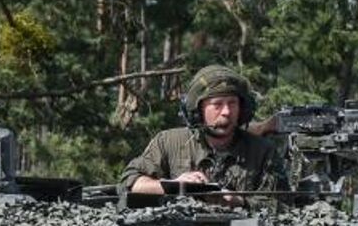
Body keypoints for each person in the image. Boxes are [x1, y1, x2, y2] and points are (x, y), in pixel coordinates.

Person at [122, 65, 288, 202]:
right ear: (198, 111)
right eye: (217, 105)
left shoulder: (262, 151)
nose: (226, 112)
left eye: (232, 103)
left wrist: (239, 201)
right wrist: (175, 185)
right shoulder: (168, 142)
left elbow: (283, 204)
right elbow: (131, 182)